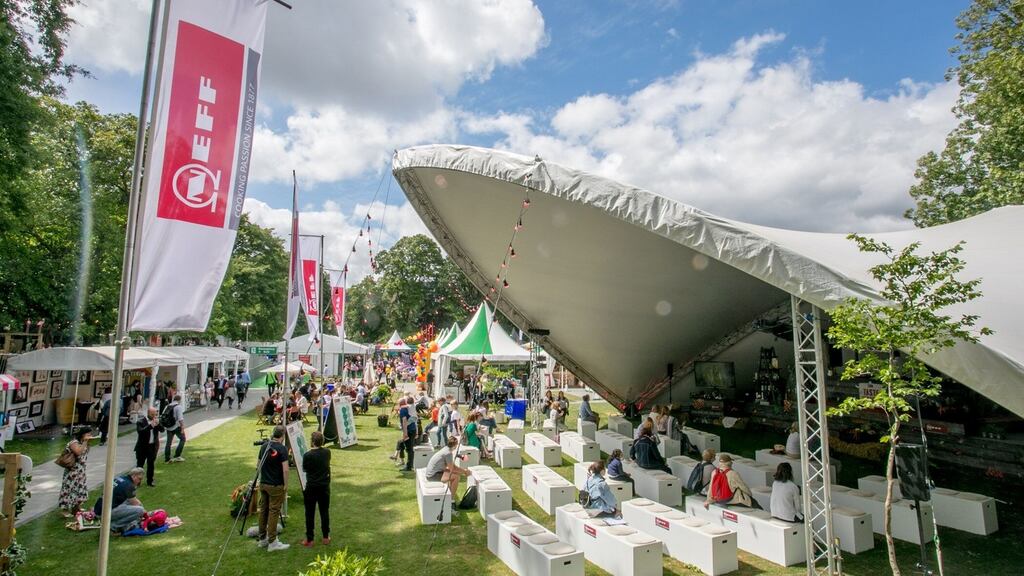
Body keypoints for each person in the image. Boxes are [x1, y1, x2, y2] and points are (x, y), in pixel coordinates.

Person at [257, 425, 290, 551]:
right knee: (274, 511)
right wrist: (286, 484)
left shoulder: (264, 446)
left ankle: (262, 538)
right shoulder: (282, 449)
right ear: (282, 436)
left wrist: (263, 478)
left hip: (264, 483)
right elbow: (285, 470)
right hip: (276, 485)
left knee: (263, 510)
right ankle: (272, 542)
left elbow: (258, 465)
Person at [423, 437, 471, 515]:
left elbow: (451, 467)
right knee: (456, 477)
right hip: (433, 475)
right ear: (455, 445)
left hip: (434, 473)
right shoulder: (448, 453)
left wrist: (462, 471)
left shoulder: (445, 449)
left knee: (455, 475)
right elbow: (453, 468)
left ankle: (449, 496)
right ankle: (451, 501)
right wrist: (465, 471)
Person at [93, 467, 145, 533]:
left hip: (98, 509)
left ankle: (116, 523)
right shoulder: (129, 485)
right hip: (106, 512)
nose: (139, 482)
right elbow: (135, 503)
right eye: (139, 479)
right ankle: (113, 526)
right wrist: (144, 512)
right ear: (134, 475)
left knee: (129, 502)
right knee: (140, 510)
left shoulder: (120, 478)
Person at [302, 431, 331, 546]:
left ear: (312, 441)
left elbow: (305, 469)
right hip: (324, 486)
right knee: (324, 511)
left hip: (312, 486)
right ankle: (325, 536)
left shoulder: (308, 455)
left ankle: (310, 539)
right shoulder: (327, 452)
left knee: (309, 513)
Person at [58, 426, 93, 516]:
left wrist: (87, 442)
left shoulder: (84, 443)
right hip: (72, 470)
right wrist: (85, 442)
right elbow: (78, 452)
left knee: (79, 489)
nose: (90, 435)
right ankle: (64, 509)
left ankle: (76, 508)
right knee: (68, 489)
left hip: (81, 470)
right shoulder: (74, 443)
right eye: (88, 434)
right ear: (83, 434)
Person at [134, 407, 163, 487]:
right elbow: (141, 432)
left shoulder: (156, 421)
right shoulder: (140, 421)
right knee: (140, 465)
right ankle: (137, 482)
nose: (154, 416)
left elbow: (162, 430)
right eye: (152, 414)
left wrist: (158, 424)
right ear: (148, 413)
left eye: (155, 414)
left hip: (152, 446)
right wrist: (150, 426)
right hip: (142, 447)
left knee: (151, 464)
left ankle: (150, 481)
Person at [162, 394, 186, 463]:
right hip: (176, 426)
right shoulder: (178, 407)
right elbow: (180, 418)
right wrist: (182, 427)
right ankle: (177, 455)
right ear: (179, 400)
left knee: (168, 443)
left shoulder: (168, 406)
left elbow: (163, 416)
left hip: (169, 426)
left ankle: (167, 458)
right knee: (183, 439)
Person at [399, 396, 419, 472]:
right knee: (405, 446)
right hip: (413, 430)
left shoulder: (403, 410)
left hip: (409, 431)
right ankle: (407, 463)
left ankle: (409, 466)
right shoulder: (411, 408)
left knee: (409, 449)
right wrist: (416, 432)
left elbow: (404, 422)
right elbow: (415, 420)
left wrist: (405, 433)